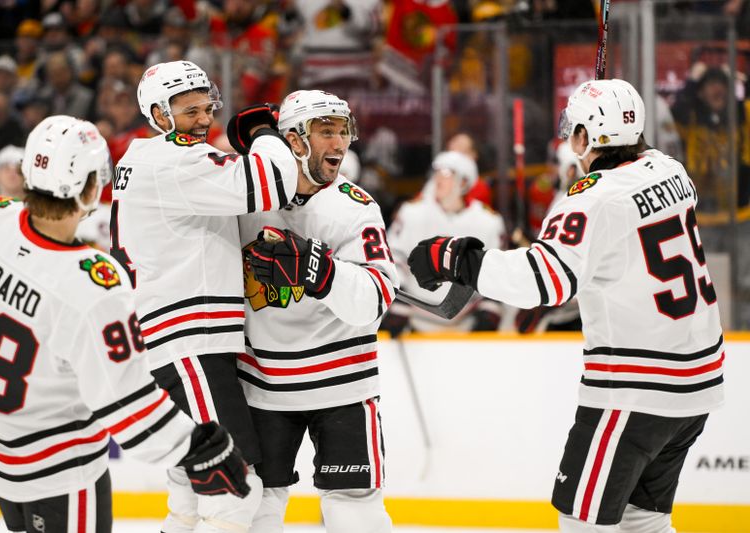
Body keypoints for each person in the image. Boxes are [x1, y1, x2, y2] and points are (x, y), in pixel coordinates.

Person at [408, 79, 724, 532]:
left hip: (635, 390)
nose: (568, 139)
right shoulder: (672, 171)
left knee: (582, 521)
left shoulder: (592, 198)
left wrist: (458, 260)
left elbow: (544, 281)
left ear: (585, 137)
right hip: (697, 383)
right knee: (644, 522)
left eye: (573, 129)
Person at [0, 115, 249, 533]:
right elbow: (127, 402)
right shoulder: (95, 284)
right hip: (54, 465)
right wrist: (198, 447)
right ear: (92, 187)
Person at [111, 60, 298, 533]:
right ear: (157, 113)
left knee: (190, 485)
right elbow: (270, 181)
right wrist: (263, 131)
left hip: (172, 340)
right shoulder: (174, 159)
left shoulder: (145, 158)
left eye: (206, 107)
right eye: (188, 110)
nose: (203, 119)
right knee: (235, 486)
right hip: (187, 343)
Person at [238, 90, 398, 532]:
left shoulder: (356, 207)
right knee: (253, 508)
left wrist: (320, 271)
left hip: (342, 384)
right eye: (326, 131)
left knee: (354, 511)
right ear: (293, 140)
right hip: (262, 383)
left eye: (344, 131)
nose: (340, 142)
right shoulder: (245, 197)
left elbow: (375, 300)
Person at [385, 150, 505, 333]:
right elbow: (393, 257)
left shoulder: (488, 221)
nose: (438, 178)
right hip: (415, 321)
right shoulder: (411, 213)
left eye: (447, 173)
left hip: (467, 322)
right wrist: (398, 301)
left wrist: (490, 308)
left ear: (464, 182)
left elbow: (497, 269)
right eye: (437, 172)